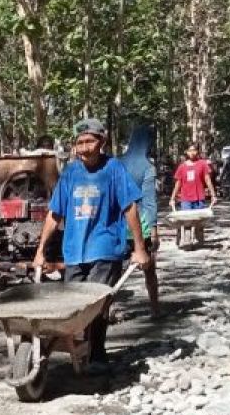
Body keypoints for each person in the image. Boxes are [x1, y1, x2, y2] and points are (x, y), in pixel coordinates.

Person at [34, 117, 149, 371]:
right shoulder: (71, 173)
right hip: (75, 250)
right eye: (79, 143)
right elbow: (55, 214)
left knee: (97, 303)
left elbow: (130, 206)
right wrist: (40, 250)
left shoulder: (114, 169)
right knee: (74, 308)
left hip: (105, 247)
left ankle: (96, 353)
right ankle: (78, 351)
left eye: (89, 142)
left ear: (102, 142)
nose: (84, 148)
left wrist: (139, 248)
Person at [118, 123, 161, 317]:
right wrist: (153, 229)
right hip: (140, 227)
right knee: (149, 270)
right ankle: (155, 309)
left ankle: (108, 310)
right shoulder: (147, 167)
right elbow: (149, 201)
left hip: (117, 226)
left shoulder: (116, 164)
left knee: (114, 272)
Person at [169, 143, 216, 244]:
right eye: (190, 150)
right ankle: (182, 235)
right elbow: (178, 183)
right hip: (186, 198)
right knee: (186, 221)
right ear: (186, 152)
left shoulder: (202, 164)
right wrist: (172, 198)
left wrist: (213, 194)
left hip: (199, 197)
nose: (192, 152)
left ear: (197, 151)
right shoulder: (182, 167)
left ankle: (199, 236)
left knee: (199, 221)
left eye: (194, 150)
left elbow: (207, 179)